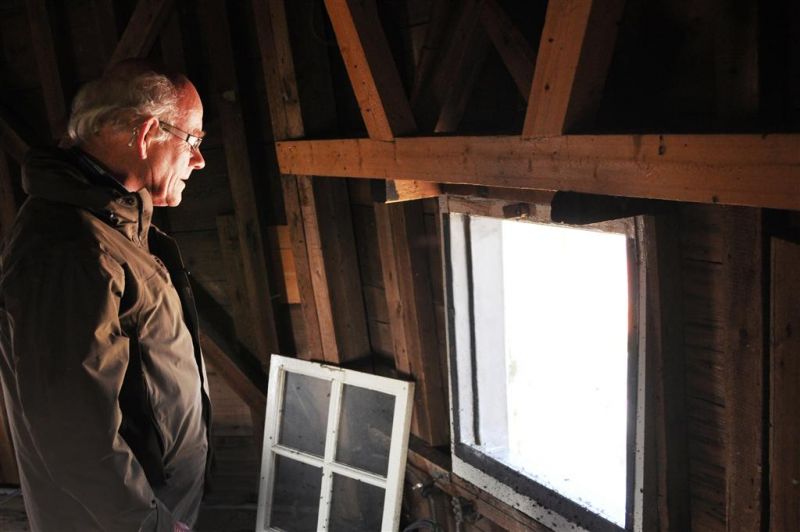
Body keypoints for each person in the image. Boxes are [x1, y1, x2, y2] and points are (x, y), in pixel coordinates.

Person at [0, 61, 211, 531]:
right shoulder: (71, 248)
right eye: (192, 140)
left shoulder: (116, 224)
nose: (198, 160)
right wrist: (151, 523)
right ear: (148, 135)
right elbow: (71, 431)